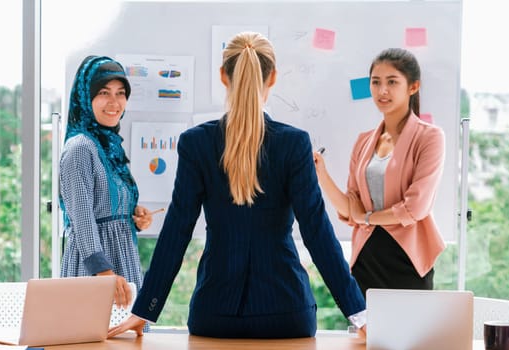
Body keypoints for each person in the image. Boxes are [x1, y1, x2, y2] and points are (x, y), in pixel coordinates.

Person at [108, 32, 366, 339]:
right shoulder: (294, 144)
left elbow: (177, 230)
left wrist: (145, 309)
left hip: (215, 314)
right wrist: (358, 314)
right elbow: (317, 232)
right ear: (272, 78)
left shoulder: (197, 143)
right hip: (286, 313)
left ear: (222, 76)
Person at [313, 48, 446, 297]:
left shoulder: (430, 137)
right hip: (366, 258)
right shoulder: (364, 142)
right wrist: (321, 174)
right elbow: (350, 208)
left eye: (392, 82)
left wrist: (366, 218)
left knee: (413, 334)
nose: (382, 90)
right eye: (376, 82)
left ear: (413, 87)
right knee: (367, 336)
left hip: (408, 258)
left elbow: (414, 208)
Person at [59, 55, 154, 310]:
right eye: (104, 92)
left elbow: (105, 204)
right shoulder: (80, 148)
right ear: (85, 97)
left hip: (121, 264)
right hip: (95, 268)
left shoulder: (109, 147)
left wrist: (135, 215)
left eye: (121, 93)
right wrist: (103, 273)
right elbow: (81, 218)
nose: (114, 103)